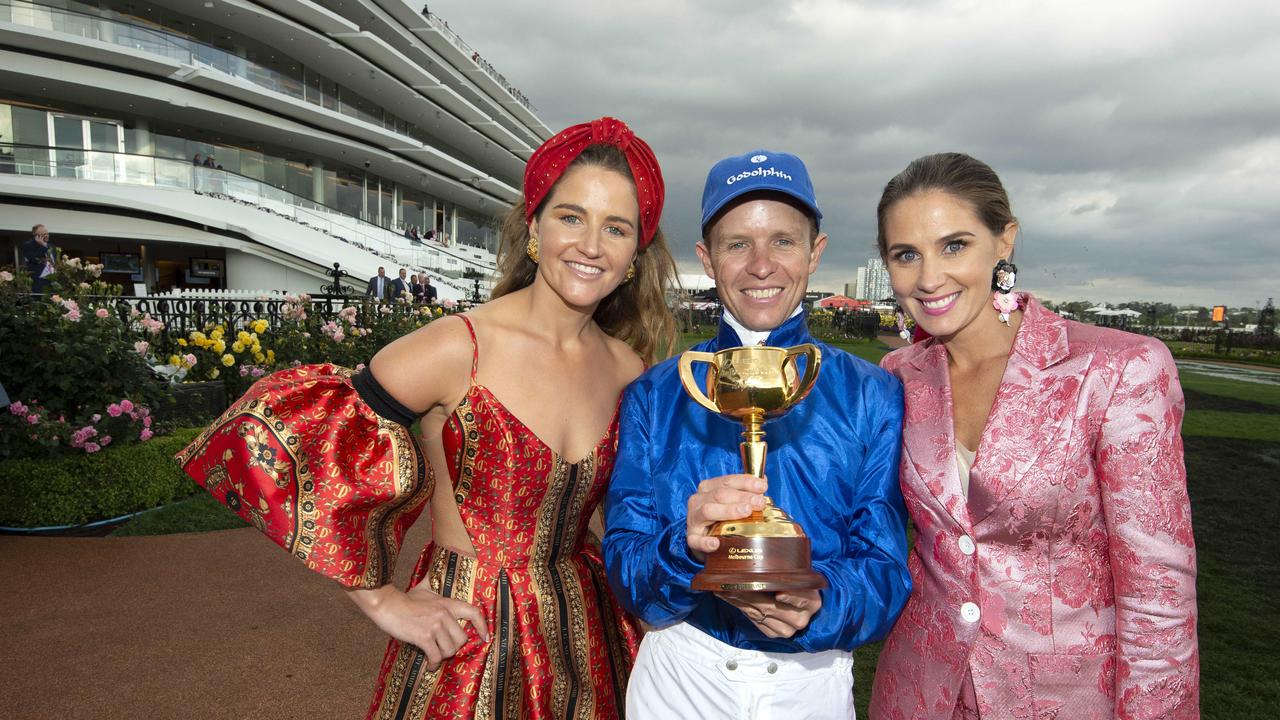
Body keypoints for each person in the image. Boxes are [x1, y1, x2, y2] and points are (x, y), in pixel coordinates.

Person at [177, 117, 678, 719]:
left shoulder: (628, 367)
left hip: (588, 638)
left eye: (615, 227)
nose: (591, 244)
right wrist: (381, 599)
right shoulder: (456, 347)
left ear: (634, 255)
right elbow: (278, 433)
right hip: (470, 639)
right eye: (571, 216)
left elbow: (629, 517)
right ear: (535, 227)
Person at [867, 153, 1199, 720]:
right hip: (917, 694)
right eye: (906, 255)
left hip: (1065, 701)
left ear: (1005, 241)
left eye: (955, 245)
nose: (928, 278)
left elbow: (1159, 596)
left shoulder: (1118, 369)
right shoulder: (897, 377)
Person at [603, 150, 911, 718]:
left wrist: (823, 602)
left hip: (810, 683)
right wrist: (682, 547)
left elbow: (887, 571)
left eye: (784, 242)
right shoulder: (655, 393)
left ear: (816, 253)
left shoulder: (872, 393)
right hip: (682, 674)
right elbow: (625, 565)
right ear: (708, 258)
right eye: (737, 243)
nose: (761, 265)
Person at [21, 224, 56, 293]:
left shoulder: (51, 246)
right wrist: (42, 246)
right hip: (38, 282)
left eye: (47, 233)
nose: (47, 235)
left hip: (52, 281)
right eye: (44, 234)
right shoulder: (28, 245)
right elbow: (34, 259)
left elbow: (54, 262)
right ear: (36, 236)